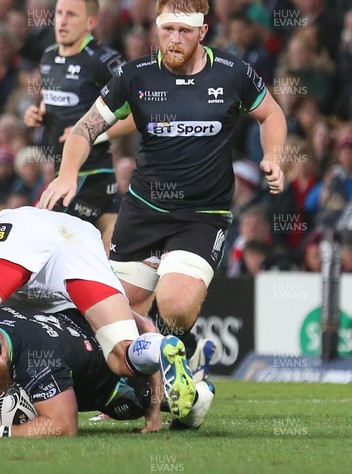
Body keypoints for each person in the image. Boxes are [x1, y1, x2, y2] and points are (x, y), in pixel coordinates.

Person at [38, 0, 285, 364]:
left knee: (175, 304)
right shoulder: (134, 76)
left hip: (202, 214)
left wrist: (274, 158)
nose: (174, 39)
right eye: (167, 29)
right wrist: (67, 174)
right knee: (117, 316)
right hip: (143, 210)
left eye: (184, 31)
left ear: (202, 32)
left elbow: (272, 114)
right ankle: (161, 376)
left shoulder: (233, 73)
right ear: (156, 27)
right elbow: (85, 128)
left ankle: (186, 348)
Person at [0, 206, 199, 437]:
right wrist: (154, 410)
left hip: (22, 230)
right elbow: (145, 323)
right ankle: (159, 350)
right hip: (80, 240)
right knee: (121, 354)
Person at [0, 306, 215, 437]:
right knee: (131, 343)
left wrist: (0, 431)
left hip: (110, 380)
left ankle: (196, 397)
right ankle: (153, 346)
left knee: (133, 404)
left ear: (2, 353)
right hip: (81, 320)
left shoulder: (38, 363)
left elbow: (64, 427)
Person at [23, 0, 127, 252]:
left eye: (71, 14)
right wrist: (37, 114)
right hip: (61, 171)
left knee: (53, 246)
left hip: (92, 172)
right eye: (59, 13)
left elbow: (134, 113)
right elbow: (54, 100)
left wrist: (91, 134)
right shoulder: (48, 56)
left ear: (90, 22)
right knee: (106, 254)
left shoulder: (105, 61)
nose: (62, 20)